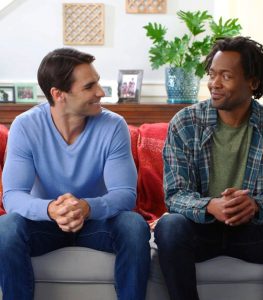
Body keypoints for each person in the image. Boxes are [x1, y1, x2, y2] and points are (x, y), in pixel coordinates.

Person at [155, 36, 263, 300]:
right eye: (212, 74)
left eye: (226, 76)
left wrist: (254, 206)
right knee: (170, 227)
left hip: (255, 232)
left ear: (252, 83)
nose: (214, 84)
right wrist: (211, 206)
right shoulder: (185, 123)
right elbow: (175, 195)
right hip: (202, 230)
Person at [0, 48, 151, 300]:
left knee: (133, 225)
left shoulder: (113, 126)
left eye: (98, 82)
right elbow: (13, 196)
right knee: (5, 228)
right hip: (44, 224)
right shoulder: (25, 126)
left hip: (96, 222)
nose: (101, 92)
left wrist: (85, 207)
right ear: (59, 94)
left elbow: (125, 195)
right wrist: (51, 210)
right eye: (89, 86)